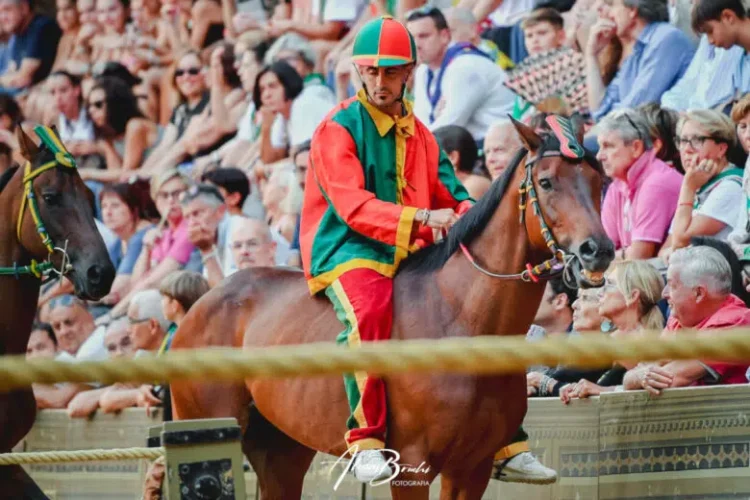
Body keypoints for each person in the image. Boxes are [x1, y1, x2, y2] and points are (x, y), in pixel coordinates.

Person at [300, 15, 473, 483]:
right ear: (359, 71)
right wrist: (420, 219)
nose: (380, 81)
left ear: (410, 71)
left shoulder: (422, 133)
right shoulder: (336, 127)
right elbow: (353, 206)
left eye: (391, 71)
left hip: (407, 249)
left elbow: (454, 195)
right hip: (346, 248)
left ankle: (506, 440)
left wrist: (478, 216)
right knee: (372, 311)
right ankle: (365, 440)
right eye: (371, 71)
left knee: (475, 303)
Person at [624, 246, 750, 393]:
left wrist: (641, 376)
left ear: (698, 293)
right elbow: (633, 376)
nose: (664, 294)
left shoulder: (737, 323)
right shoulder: (680, 319)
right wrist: (639, 376)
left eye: (671, 285)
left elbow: (669, 380)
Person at [407, 7, 516, 145]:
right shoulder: (423, 70)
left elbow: (448, 126)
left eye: (424, 36)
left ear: (445, 36)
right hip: (472, 147)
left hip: (504, 146)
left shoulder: (466, 65)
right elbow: (421, 121)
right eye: (411, 37)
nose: (416, 44)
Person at [598, 109, 683, 259]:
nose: (599, 156)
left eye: (608, 146)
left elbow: (639, 257)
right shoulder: (616, 186)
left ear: (636, 148)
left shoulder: (657, 183)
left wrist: (614, 257)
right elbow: (601, 252)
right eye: (600, 147)